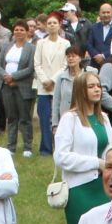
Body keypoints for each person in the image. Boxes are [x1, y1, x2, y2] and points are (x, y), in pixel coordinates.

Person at [53, 68, 112, 224]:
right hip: (79, 188)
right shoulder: (70, 119)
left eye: (98, 86)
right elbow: (61, 157)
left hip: (104, 187)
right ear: (81, 90)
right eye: (91, 86)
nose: (97, 90)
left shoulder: (103, 118)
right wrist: (97, 163)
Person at [0, 19, 37, 157]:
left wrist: (14, 77)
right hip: (6, 86)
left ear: (27, 32)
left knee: (25, 118)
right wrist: (6, 77)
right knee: (11, 117)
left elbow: (31, 68)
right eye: (16, 30)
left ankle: (27, 147)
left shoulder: (31, 48)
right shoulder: (6, 46)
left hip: (23, 86)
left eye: (22, 30)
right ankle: (11, 147)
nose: (18, 32)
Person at [33, 13, 68, 156]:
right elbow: (37, 63)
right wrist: (45, 80)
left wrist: (53, 80)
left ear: (59, 25)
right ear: (46, 26)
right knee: (44, 117)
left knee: (59, 118)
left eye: (54, 23)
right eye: (49, 23)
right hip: (43, 87)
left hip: (58, 85)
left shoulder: (65, 43)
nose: (52, 25)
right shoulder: (40, 43)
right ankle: (45, 149)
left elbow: (66, 64)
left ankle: (60, 148)